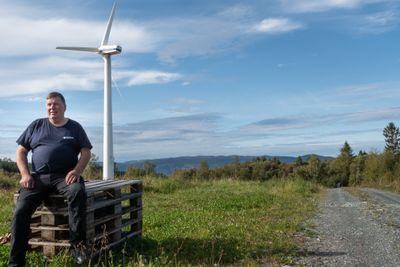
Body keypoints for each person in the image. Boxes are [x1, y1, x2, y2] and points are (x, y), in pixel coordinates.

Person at [9, 92, 92, 267]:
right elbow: (21, 151)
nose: (52, 107)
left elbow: (86, 152)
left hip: (65, 177)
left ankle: (78, 248)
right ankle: (16, 261)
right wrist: (25, 174)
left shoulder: (74, 127)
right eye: (49, 105)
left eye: (56, 104)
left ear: (64, 107)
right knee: (20, 211)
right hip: (38, 178)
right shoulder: (36, 125)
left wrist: (77, 171)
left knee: (77, 192)